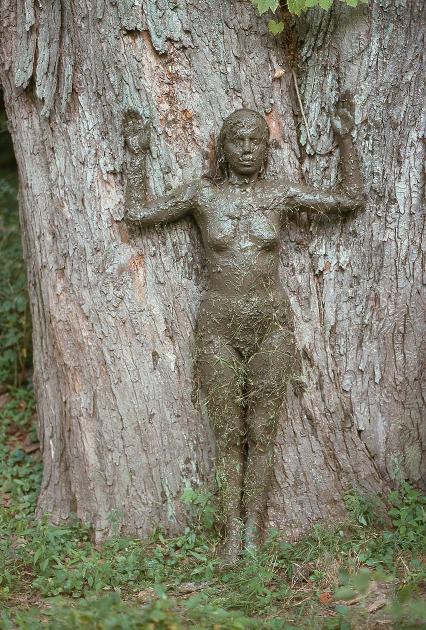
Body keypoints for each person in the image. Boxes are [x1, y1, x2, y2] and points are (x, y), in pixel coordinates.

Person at [123, 103, 364, 564]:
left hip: (271, 325)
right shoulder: (203, 196)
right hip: (218, 326)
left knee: (263, 431)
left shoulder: (280, 194)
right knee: (228, 434)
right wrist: (137, 156)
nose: (248, 148)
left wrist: (346, 140)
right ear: (223, 147)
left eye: (256, 139)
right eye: (238, 139)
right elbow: (138, 213)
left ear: (267, 147)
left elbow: (350, 199)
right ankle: (229, 535)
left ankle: (254, 532)